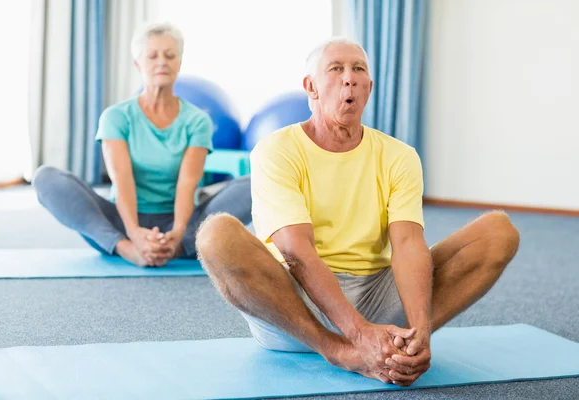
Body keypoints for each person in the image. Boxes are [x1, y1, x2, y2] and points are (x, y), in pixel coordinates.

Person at [194, 37, 520, 386]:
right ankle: (335, 349)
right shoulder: (277, 150)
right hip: (294, 310)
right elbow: (297, 253)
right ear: (311, 87)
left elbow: (409, 245)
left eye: (358, 70)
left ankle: (402, 347)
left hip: (377, 295)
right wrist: (356, 336)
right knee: (216, 235)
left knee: (499, 231)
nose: (348, 78)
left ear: (368, 88)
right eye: (335, 69)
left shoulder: (399, 155)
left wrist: (420, 330)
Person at [32, 22, 252, 267]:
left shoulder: (197, 120)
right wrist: (134, 234)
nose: (162, 62)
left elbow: (186, 185)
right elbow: (122, 180)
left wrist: (177, 234)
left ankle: (178, 248)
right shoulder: (116, 117)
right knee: (46, 177)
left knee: (259, 182)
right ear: (138, 64)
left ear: (179, 63)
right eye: (152, 56)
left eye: (170, 55)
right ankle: (123, 249)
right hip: (120, 224)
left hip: (186, 223)